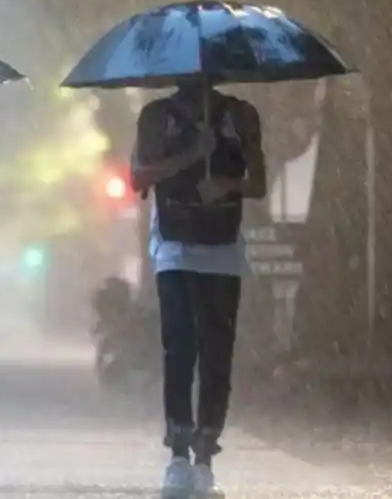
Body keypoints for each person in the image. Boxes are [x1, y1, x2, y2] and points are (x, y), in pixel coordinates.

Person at [130, 78, 266, 499]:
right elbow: (138, 177)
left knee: (216, 350)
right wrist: (192, 154)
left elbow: (259, 183)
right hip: (174, 246)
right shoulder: (157, 116)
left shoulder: (241, 115)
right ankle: (177, 455)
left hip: (222, 248)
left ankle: (206, 454)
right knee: (179, 346)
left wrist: (226, 184)